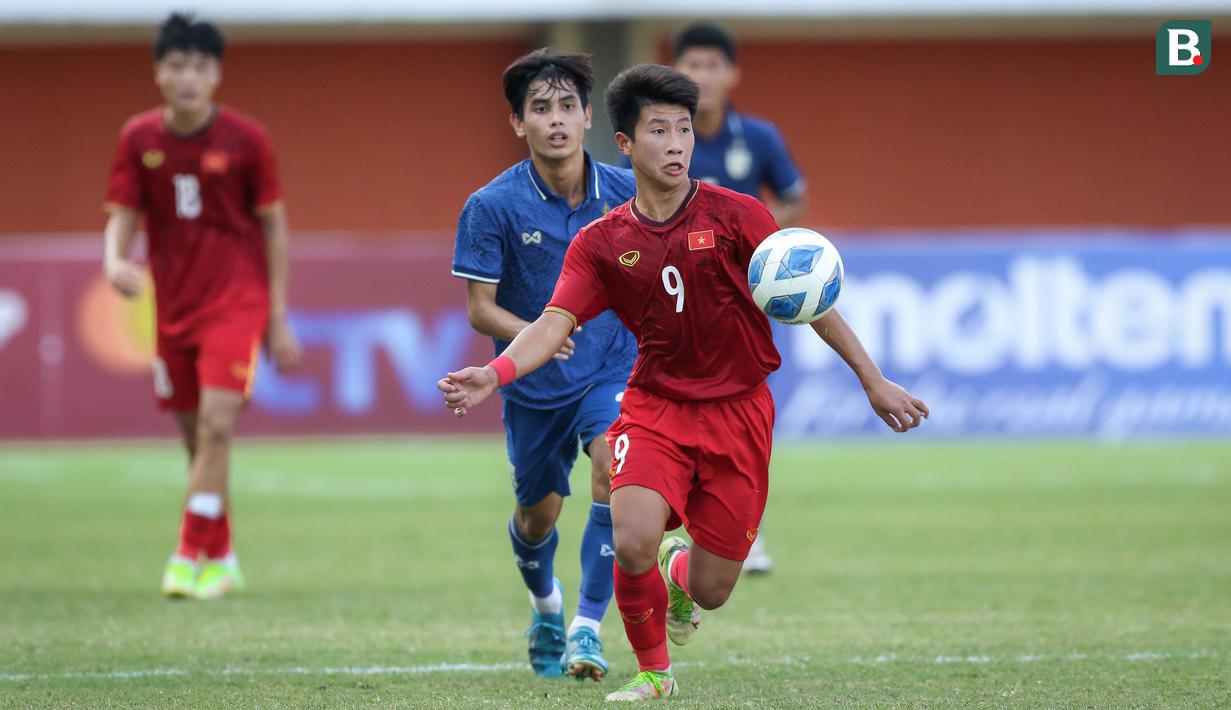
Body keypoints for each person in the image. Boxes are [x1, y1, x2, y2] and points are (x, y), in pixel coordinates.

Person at [438, 64, 928, 702]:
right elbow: (555, 321)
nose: (676, 144)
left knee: (715, 588)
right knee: (632, 532)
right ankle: (653, 674)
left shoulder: (737, 216)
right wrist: (492, 371)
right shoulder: (602, 243)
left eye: (684, 130)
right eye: (659, 130)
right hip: (654, 407)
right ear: (624, 143)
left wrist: (875, 381)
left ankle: (679, 572)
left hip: (739, 414)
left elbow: (813, 302)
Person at [450, 48, 638, 681]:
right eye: (540, 109)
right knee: (539, 517)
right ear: (517, 123)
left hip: (611, 365)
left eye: (567, 107)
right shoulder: (491, 205)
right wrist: (534, 334)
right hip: (533, 384)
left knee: (614, 464)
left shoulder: (626, 192)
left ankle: (587, 627)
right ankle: (546, 606)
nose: (555, 120)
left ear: (587, 117)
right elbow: (480, 308)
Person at [102, 13, 301, 600]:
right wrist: (114, 261)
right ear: (159, 71)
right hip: (173, 308)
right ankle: (223, 554)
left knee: (217, 424)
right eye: (177, 64)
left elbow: (274, 229)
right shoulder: (138, 138)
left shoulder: (247, 139)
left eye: (200, 65)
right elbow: (123, 214)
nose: (188, 76)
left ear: (216, 74)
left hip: (235, 303)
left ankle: (188, 553)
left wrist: (277, 316)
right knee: (198, 442)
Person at [672, 21, 810, 574]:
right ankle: (680, 528)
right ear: (675, 72)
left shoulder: (758, 139)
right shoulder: (666, 135)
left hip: (740, 302)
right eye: (691, 65)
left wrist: (765, 248)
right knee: (672, 408)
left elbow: (795, 198)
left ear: (731, 74)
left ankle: (744, 533)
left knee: (742, 409)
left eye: (712, 65)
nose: (702, 76)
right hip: (671, 294)